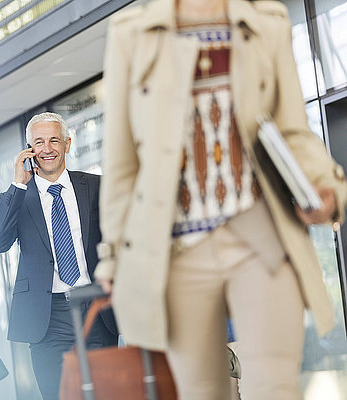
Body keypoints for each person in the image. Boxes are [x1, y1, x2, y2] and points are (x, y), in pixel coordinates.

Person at [95, 0, 347, 399]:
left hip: (262, 240)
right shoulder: (132, 34)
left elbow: (293, 130)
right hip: (178, 253)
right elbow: (123, 162)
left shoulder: (267, 22)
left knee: (275, 388)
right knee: (203, 392)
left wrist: (323, 186)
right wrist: (112, 252)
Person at [0, 112, 118, 400]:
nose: (47, 149)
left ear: (68, 144)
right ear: (29, 150)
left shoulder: (95, 187)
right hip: (48, 319)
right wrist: (18, 184)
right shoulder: (20, 195)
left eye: (54, 140)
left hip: (96, 309)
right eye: (39, 142)